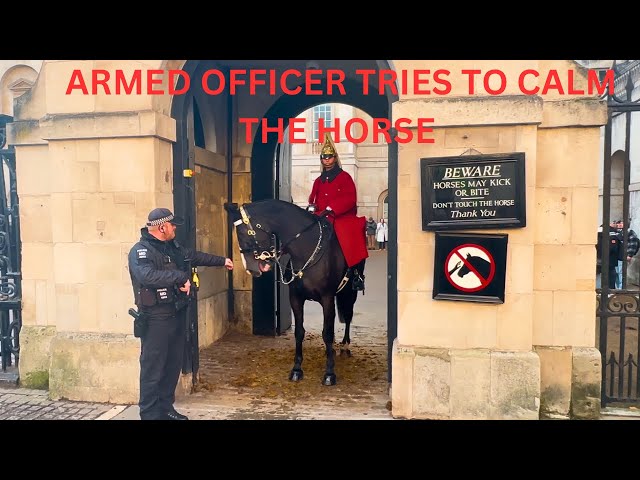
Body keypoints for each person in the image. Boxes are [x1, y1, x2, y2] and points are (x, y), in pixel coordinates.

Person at [128, 207, 234, 420]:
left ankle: (166, 409)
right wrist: (179, 276)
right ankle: (149, 414)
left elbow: (194, 256)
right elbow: (147, 275)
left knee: (172, 365)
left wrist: (222, 261)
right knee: (152, 368)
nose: (175, 228)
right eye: (172, 225)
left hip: (176, 313)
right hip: (155, 318)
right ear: (162, 227)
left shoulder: (171, 247)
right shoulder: (141, 251)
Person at [308, 132, 368, 290]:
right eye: (323, 157)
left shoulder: (345, 177)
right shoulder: (318, 180)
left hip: (341, 216)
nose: (326, 159)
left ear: (335, 157)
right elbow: (313, 198)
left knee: (351, 234)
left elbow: (350, 198)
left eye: (329, 156)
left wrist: (333, 208)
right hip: (321, 216)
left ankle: (356, 273)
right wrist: (312, 207)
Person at [615, 219, 640, 289]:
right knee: (617, 272)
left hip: (624, 255)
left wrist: (630, 255)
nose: (619, 224)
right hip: (618, 256)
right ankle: (618, 287)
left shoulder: (630, 233)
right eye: (619, 223)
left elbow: (633, 244)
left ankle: (621, 288)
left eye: (621, 223)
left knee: (621, 272)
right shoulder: (620, 232)